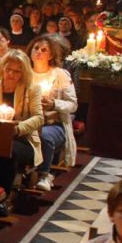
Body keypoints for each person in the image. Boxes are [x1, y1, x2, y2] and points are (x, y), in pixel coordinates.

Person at [0, 50, 43, 204]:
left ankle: (2, 198)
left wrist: (17, 128)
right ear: (2, 68)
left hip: (23, 140)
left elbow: (39, 118)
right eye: (8, 69)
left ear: (24, 73)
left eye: (17, 71)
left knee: (8, 151)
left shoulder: (32, 90)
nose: (11, 74)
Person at [28, 34, 77, 192]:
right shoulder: (25, 73)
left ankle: (45, 174)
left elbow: (73, 104)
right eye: (36, 48)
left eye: (44, 49)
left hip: (54, 124)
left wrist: (54, 103)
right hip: (28, 121)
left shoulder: (60, 75)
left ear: (51, 55)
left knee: (44, 136)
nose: (39, 52)